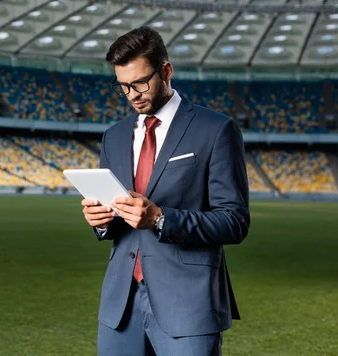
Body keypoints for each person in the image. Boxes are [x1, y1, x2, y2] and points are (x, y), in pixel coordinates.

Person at [81, 26, 250, 356]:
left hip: (188, 305)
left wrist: (159, 219)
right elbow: (116, 222)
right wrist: (100, 221)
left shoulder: (215, 130)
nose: (133, 94)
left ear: (166, 71)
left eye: (141, 82)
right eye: (124, 87)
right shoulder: (113, 136)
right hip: (120, 306)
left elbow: (234, 221)